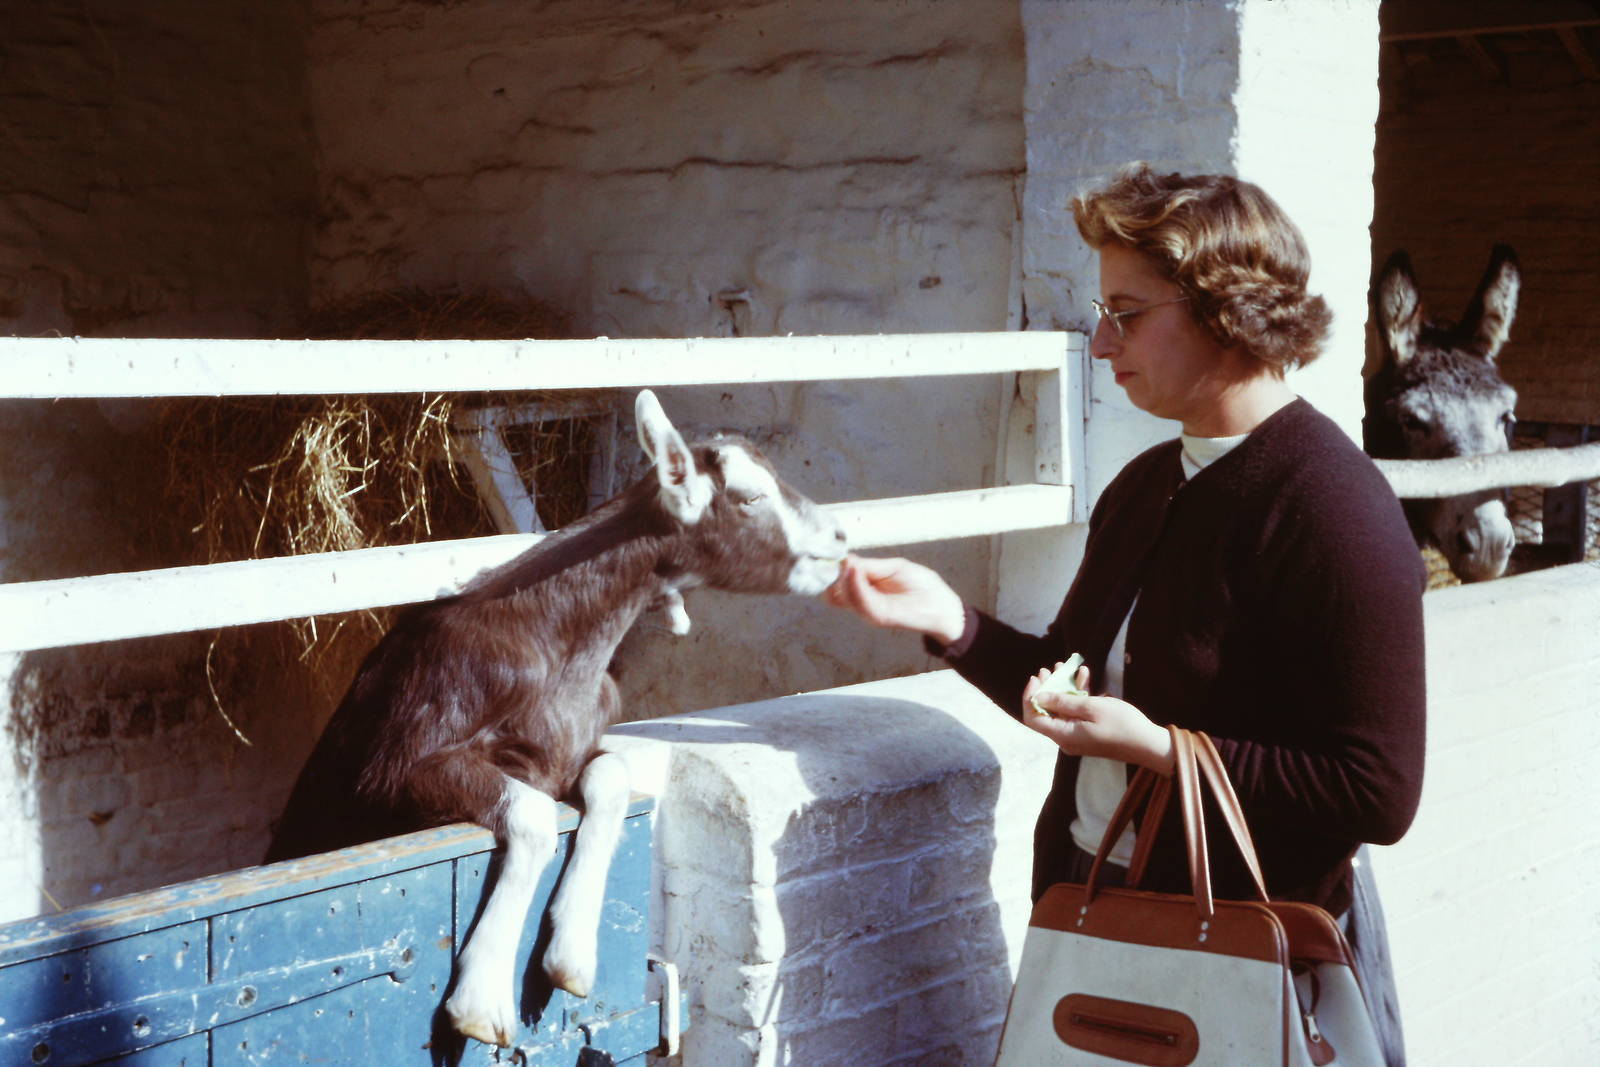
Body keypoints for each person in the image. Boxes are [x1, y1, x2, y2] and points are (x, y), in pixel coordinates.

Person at [825, 163, 1424, 1065]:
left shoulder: (1335, 505)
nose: (1102, 345)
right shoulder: (1147, 484)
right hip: (1100, 922)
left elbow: (1378, 791)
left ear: (1228, 309)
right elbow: (1071, 674)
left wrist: (1156, 749)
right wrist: (955, 622)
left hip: (1239, 958)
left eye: (1127, 313)